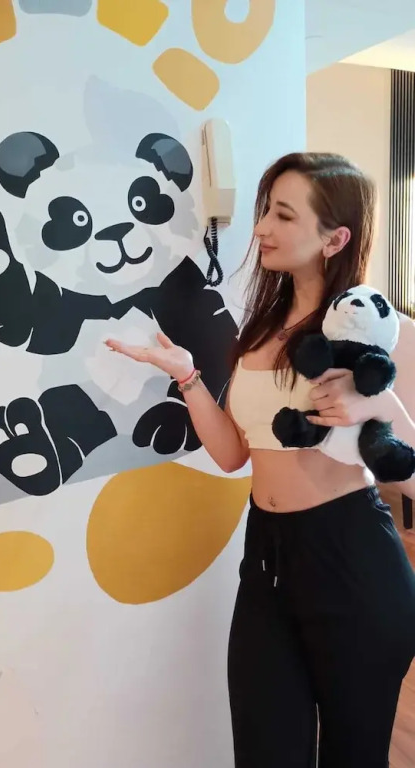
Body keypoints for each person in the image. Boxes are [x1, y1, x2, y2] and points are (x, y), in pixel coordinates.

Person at [105, 152, 415, 768]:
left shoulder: (375, 330)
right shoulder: (259, 329)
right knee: (264, 747)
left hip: (352, 557)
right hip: (266, 557)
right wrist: (188, 377)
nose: (262, 228)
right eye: (265, 210)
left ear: (335, 238)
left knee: (355, 755)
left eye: (283, 215)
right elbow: (232, 455)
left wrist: (379, 406)